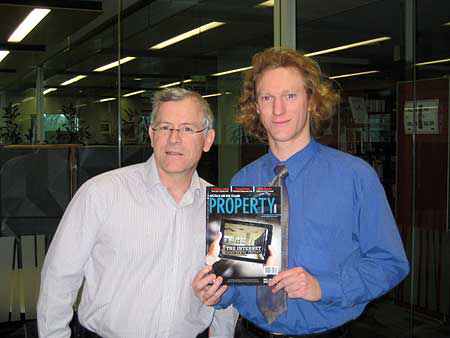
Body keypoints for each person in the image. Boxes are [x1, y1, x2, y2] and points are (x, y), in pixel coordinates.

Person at [192, 47, 410, 337]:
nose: (278, 109)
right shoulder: (244, 180)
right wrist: (219, 292)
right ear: (256, 106)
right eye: (267, 98)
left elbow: (390, 263)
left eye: (290, 96)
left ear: (311, 101)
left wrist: (322, 286)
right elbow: (240, 272)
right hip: (249, 332)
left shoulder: (354, 176)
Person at [37, 88, 238, 338]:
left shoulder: (222, 207)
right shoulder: (101, 193)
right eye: (165, 127)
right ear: (152, 135)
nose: (174, 138)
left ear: (207, 139)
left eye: (187, 129)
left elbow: (227, 289)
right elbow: (59, 278)